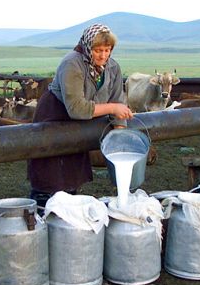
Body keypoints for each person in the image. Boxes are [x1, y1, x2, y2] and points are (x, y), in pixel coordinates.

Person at [27, 24, 134, 207]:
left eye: (107, 50)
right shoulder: (72, 63)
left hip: (83, 121)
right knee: (49, 175)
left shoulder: (113, 67)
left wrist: (119, 135)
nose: (103, 55)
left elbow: (118, 100)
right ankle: (40, 213)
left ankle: (69, 217)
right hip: (56, 115)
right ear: (87, 46)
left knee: (71, 175)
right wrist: (112, 108)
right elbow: (76, 108)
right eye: (98, 50)